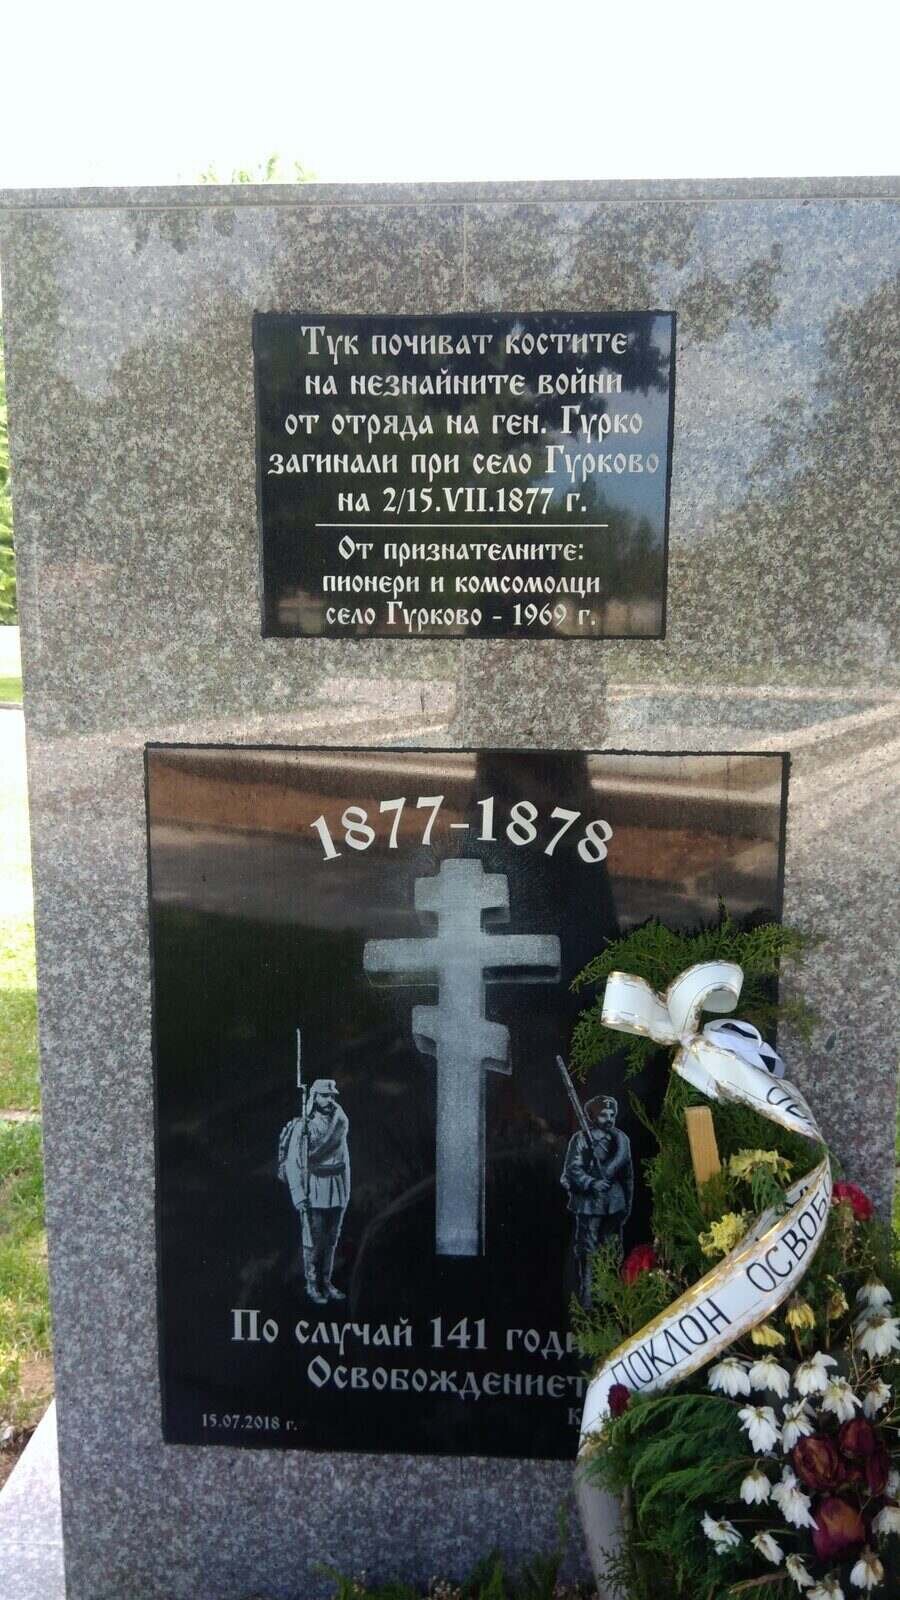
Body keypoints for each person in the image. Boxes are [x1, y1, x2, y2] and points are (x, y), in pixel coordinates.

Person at [279, 1079, 350, 1306]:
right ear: (315, 1098)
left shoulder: (340, 1122)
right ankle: (312, 1283)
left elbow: (345, 1160)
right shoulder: (304, 1126)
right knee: (314, 1240)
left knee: (331, 1240)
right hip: (316, 1189)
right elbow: (293, 1162)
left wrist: (346, 1191)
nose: (329, 1099)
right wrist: (299, 1195)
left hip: (336, 1189)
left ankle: (326, 1282)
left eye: (331, 1096)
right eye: (324, 1095)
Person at [561, 1094, 633, 1310]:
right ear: (592, 1117)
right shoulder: (581, 1139)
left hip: (614, 1203)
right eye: (603, 1115)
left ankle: (610, 1294)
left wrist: (627, 1203)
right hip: (589, 1203)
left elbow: (627, 1175)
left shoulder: (620, 1140)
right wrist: (592, 1182)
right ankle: (588, 1294)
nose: (608, 1119)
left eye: (612, 1114)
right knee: (588, 1246)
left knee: (612, 1246)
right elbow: (573, 1169)